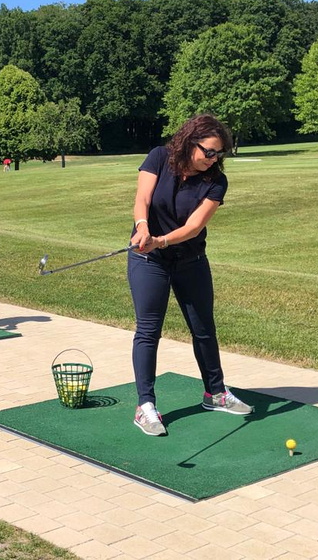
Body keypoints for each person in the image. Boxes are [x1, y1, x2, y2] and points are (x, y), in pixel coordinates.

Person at [127, 113, 253, 437]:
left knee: (203, 329)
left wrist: (162, 240)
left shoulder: (216, 181)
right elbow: (142, 198)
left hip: (190, 259)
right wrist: (143, 227)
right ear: (189, 142)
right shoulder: (159, 157)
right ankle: (145, 406)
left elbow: (195, 226)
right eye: (208, 152)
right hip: (149, 259)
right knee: (148, 331)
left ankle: (215, 393)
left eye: (219, 154)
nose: (213, 159)